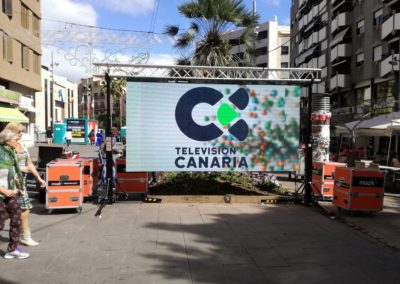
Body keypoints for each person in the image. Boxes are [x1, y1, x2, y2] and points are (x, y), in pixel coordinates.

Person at [5, 123, 46, 246]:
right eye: (18, 132)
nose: (21, 134)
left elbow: (29, 163)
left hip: (21, 184)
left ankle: (25, 236)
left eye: (21, 131)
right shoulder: (5, 147)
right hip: (8, 183)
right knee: (7, 211)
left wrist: (39, 178)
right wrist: (19, 169)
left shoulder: (22, 145)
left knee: (25, 209)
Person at [0, 128, 30, 259]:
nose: (18, 141)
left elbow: (12, 171)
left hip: (11, 192)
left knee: (16, 219)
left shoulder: (11, 152)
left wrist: (19, 186)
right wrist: (3, 190)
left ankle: (12, 249)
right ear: (7, 140)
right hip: (2, 193)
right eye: (16, 139)